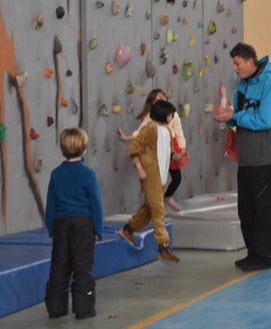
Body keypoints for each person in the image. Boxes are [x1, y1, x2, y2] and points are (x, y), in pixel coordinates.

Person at [214, 42, 271, 272]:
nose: (235, 68)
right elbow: (240, 118)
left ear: (251, 62)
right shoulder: (241, 87)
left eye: (237, 63)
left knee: (263, 209)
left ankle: (263, 256)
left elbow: (265, 120)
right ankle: (252, 252)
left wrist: (236, 115)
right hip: (246, 158)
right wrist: (228, 117)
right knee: (246, 209)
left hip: (264, 158)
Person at [45, 128, 103, 320]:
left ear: (63, 148)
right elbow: (95, 203)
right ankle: (84, 308)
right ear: (84, 148)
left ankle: (56, 308)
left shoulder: (56, 174)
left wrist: (52, 227)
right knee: (82, 265)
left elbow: (51, 205)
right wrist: (97, 229)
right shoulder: (88, 173)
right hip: (83, 224)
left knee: (59, 265)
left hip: (62, 224)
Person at [118, 100, 181, 264]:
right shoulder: (150, 128)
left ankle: (128, 229)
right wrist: (139, 167)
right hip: (151, 175)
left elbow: (170, 152)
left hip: (161, 177)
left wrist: (179, 156)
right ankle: (163, 246)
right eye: (170, 115)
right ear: (162, 115)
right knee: (159, 210)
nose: (172, 117)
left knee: (149, 208)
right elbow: (134, 148)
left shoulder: (167, 131)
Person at [118, 89, 187, 212]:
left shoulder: (173, 116)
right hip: (156, 151)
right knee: (157, 182)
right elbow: (140, 132)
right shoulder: (151, 120)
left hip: (170, 148)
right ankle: (156, 208)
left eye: (160, 97)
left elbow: (179, 132)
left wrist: (182, 149)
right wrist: (127, 137)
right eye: (155, 99)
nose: (158, 100)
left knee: (175, 178)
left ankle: (165, 199)